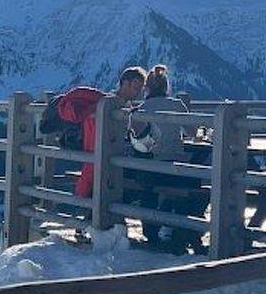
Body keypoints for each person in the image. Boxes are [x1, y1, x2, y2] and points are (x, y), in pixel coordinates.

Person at [127, 65, 200, 249]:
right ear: (166, 87)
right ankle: (186, 229)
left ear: (147, 88)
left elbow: (133, 137)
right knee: (197, 184)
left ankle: (151, 231)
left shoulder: (142, 109)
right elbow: (193, 133)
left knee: (146, 185)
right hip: (177, 169)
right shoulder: (177, 105)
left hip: (154, 169)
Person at [55, 66, 146, 198]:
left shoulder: (110, 104)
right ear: (125, 83)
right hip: (103, 159)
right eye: (135, 87)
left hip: (104, 159)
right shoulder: (106, 106)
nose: (137, 92)